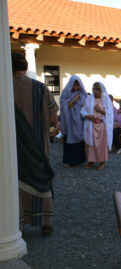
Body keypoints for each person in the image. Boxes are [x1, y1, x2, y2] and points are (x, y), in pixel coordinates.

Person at [12, 51, 59, 235]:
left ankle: (18, 224)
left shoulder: (3, 88)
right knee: (42, 181)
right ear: (26, 67)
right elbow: (54, 119)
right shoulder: (41, 88)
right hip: (39, 146)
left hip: (12, 148)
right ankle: (46, 222)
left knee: (14, 183)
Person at [81, 82, 113, 170]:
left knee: (101, 145)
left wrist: (101, 110)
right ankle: (91, 161)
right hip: (91, 124)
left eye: (97, 90)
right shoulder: (88, 99)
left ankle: (102, 162)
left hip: (102, 125)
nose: (95, 91)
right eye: (94, 89)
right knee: (90, 145)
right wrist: (87, 115)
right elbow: (82, 110)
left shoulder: (105, 100)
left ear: (101, 90)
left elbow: (110, 114)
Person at [59, 75, 87, 168]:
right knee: (68, 140)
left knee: (78, 140)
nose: (77, 87)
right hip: (69, 121)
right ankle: (67, 161)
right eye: (75, 85)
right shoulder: (65, 93)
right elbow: (65, 107)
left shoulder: (82, 94)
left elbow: (85, 107)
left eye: (78, 85)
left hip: (79, 120)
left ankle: (78, 161)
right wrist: (74, 100)